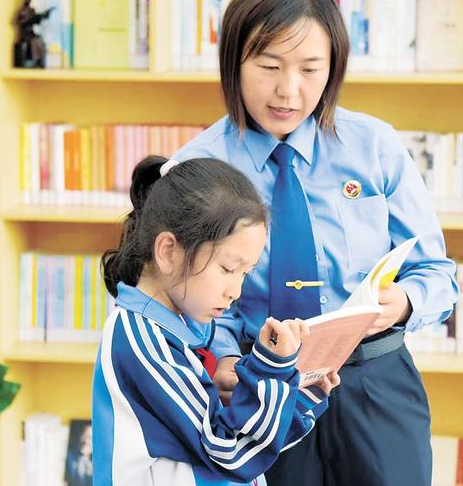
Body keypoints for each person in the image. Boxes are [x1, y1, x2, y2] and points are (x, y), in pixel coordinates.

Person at [172, 0, 459, 486]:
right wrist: (226, 359)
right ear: (233, 61)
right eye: (269, 66)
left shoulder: (374, 146)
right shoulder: (196, 169)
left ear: (334, 68)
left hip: (376, 383)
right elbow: (181, 299)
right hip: (263, 388)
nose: (288, 91)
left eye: (310, 69)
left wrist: (404, 302)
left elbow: (437, 274)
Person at [92, 155, 341, 486]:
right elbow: (229, 452)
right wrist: (272, 371)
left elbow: (249, 446)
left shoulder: (186, 327)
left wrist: (299, 392)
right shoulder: (141, 342)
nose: (235, 292)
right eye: (227, 269)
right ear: (168, 251)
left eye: (245, 274)